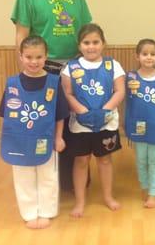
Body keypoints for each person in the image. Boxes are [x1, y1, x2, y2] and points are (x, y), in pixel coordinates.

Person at [11, 0, 92, 191]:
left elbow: (85, 32)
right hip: (46, 68)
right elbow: (21, 35)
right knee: (47, 123)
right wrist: (29, 73)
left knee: (74, 124)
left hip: (75, 67)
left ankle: (72, 181)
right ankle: (47, 182)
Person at [0, 35, 68, 229]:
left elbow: (60, 114)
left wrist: (58, 137)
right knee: (23, 177)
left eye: (38, 57)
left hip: (47, 140)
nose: (34, 62)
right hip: (19, 141)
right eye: (29, 57)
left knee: (48, 177)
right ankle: (29, 213)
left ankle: (46, 211)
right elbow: (7, 116)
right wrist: (7, 140)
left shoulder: (54, 82)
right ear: (21, 57)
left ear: (46, 57)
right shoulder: (12, 84)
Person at [61, 24, 125, 215]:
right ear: (79, 45)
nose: (91, 46)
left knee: (105, 160)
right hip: (80, 123)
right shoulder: (69, 68)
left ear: (103, 43)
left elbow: (120, 90)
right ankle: (80, 201)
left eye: (95, 42)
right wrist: (82, 111)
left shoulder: (112, 65)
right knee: (81, 161)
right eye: (86, 42)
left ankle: (107, 196)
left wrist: (105, 110)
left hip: (107, 121)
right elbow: (68, 93)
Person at [125, 39, 155, 208]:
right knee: (141, 160)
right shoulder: (130, 77)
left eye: (152, 54)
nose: (148, 57)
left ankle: (153, 192)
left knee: (154, 160)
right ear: (137, 56)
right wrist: (126, 124)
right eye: (144, 54)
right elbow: (127, 103)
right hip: (138, 126)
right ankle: (144, 186)